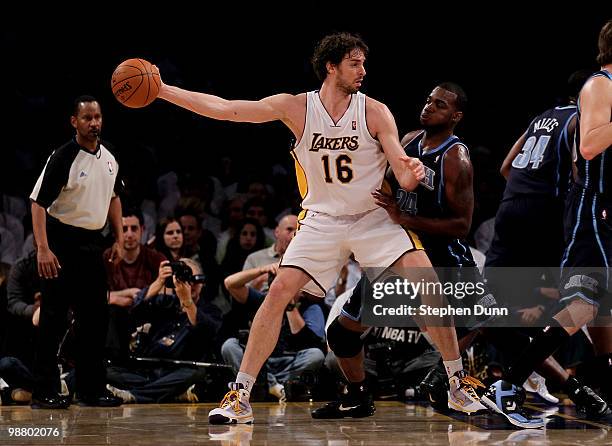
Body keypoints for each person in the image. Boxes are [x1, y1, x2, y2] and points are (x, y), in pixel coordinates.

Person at [153, 32, 483, 424]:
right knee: (277, 293)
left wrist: (409, 173)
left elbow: (400, 166)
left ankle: (457, 384)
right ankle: (239, 395)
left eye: (363, 63)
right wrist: (162, 90)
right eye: (355, 63)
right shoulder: (296, 108)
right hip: (321, 220)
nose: (363, 70)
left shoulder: (376, 111)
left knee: (426, 282)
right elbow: (226, 109)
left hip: (372, 218)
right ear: (331, 66)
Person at [481, 19, 612, 426]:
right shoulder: (600, 85)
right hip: (591, 211)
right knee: (579, 309)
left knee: (591, 309)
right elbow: (589, 145)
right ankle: (508, 384)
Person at [29, 95, 123, 408]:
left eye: (97, 117)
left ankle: (91, 389)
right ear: (74, 122)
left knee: (95, 321)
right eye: (87, 118)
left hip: (92, 244)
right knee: (53, 320)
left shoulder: (110, 157)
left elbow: (114, 197)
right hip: (60, 242)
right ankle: (43, 391)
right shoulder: (63, 156)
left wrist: (119, 238)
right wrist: (43, 248)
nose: (94, 123)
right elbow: (38, 202)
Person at [106, 258, 222, 403]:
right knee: (107, 369)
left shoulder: (211, 311)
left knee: (196, 375)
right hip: (147, 371)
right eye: (183, 278)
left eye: (192, 279)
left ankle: (136, 395)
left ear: (201, 282)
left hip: (179, 371)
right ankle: (168, 394)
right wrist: (158, 282)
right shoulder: (165, 303)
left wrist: (187, 302)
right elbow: (135, 311)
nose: (188, 284)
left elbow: (204, 331)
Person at [221, 264, 326, 402]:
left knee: (315, 355)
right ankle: (275, 385)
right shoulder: (263, 301)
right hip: (259, 362)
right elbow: (230, 283)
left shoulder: (310, 308)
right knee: (230, 346)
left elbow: (308, 343)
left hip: (289, 362)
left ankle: (267, 384)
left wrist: (289, 306)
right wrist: (262, 270)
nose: (284, 285)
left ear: (301, 290)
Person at [103, 208, 166, 364]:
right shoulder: (106, 257)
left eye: (134, 228)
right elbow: (91, 295)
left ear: (142, 230)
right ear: (115, 232)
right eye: (124, 229)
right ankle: (113, 366)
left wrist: (123, 297)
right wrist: (126, 294)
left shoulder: (155, 257)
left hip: (147, 314)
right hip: (113, 318)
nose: (129, 234)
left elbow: (170, 290)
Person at [242, 214, 298, 292]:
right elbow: (243, 294)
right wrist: (262, 279)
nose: (294, 235)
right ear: (277, 232)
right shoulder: (254, 258)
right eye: (289, 229)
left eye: (298, 231)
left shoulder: (305, 261)